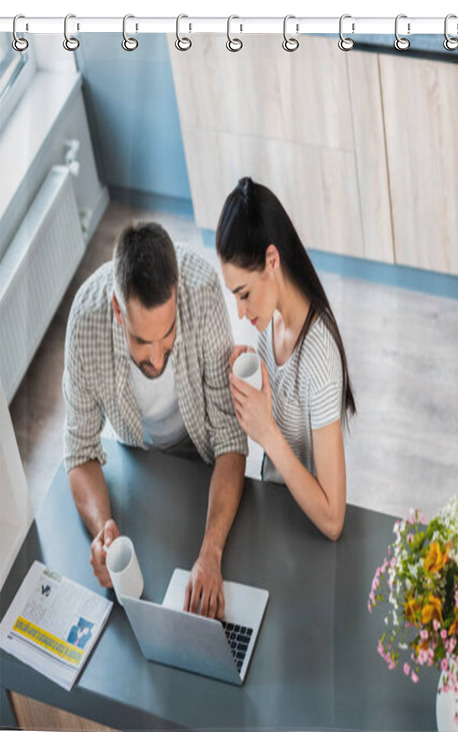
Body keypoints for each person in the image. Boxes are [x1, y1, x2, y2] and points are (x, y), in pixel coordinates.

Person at [63, 221, 248, 618]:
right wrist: (103, 529)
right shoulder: (85, 321)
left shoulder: (201, 291)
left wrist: (211, 552)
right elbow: (79, 452)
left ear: (177, 295)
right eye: (142, 343)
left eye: (167, 337)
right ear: (117, 310)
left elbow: (230, 441)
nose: (158, 359)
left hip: (204, 460)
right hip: (140, 464)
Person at [217, 178, 355, 541]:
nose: (240, 312)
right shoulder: (272, 320)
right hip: (273, 507)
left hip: (305, 528)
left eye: (243, 294)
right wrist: (254, 381)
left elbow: (332, 519)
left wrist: (268, 434)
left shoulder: (320, 358)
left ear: (272, 260)